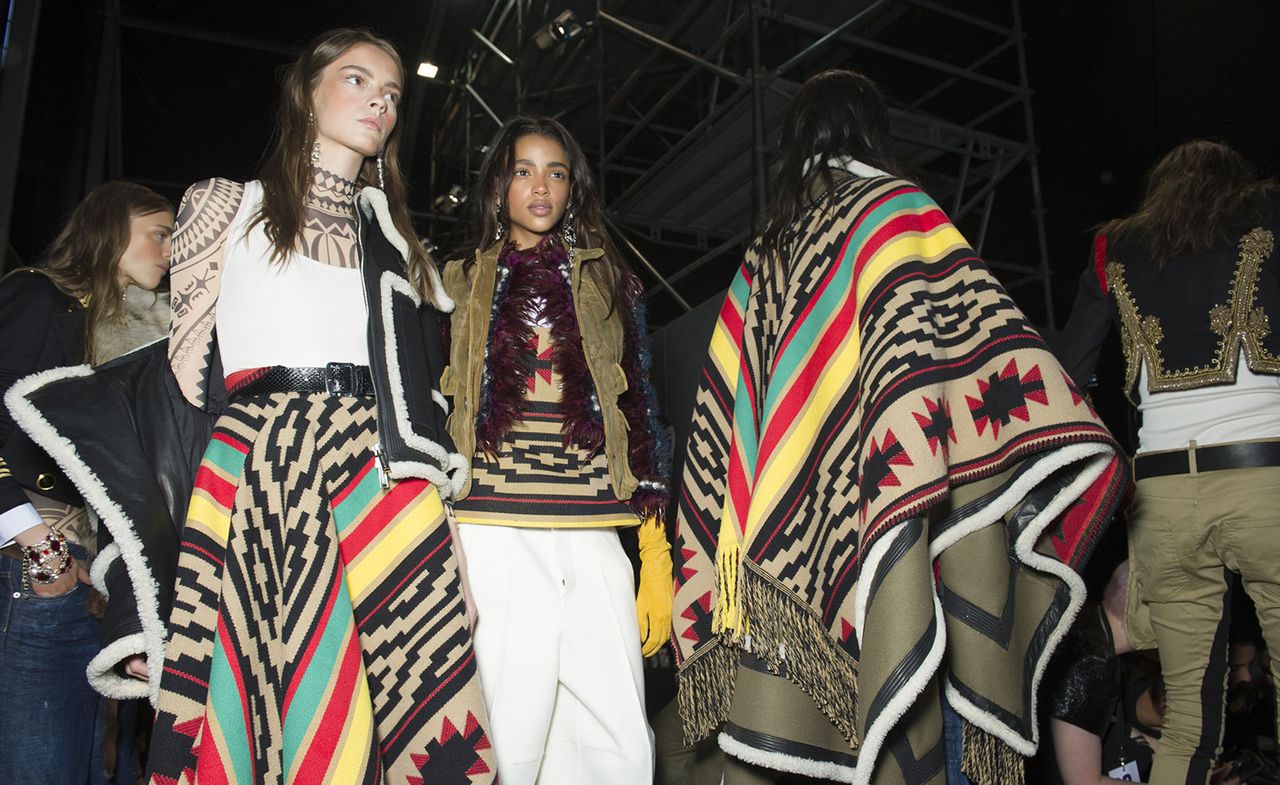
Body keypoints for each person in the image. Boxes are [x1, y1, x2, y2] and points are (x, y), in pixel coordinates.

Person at [7, 28, 496, 784]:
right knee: (268, 700)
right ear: (307, 90)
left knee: (403, 700)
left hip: (378, 477)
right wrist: (149, 591)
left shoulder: (394, 235)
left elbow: (418, 400)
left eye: (393, 94)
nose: (381, 103)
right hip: (260, 467)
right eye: (359, 80)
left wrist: (449, 534)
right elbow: (181, 391)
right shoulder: (221, 206)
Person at [669, 69, 1128, 785]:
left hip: (788, 541)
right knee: (918, 682)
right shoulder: (896, 212)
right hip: (899, 503)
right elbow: (977, 361)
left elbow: (726, 423)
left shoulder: (764, 252)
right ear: (874, 132)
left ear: (797, 143)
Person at [440, 115, 673, 784]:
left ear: (575, 188)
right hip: (492, 528)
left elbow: (642, 408)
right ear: (497, 185)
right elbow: (430, 411)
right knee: (509, 742)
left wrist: (655, 549)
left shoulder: (610, 284)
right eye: (523, 170)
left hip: (594, 528)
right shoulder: (454, 279)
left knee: (620, 745)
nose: (541, 186)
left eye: (557, 171)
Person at [1057, 139, 1280, 785]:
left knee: (1188, 725)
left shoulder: (1114, 249)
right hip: (1265, 476)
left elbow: (1071, 369)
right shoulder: (1269, 212)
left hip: (1162, 495)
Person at [0, 181, 173, 783]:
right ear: (109, 228)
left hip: (97, 574)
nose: (169, 250)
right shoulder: (39, 295)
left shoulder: (139, 337)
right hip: (37, 562)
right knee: (41, 762)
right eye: (159, 233)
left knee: (95, 762)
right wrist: (37, 545)